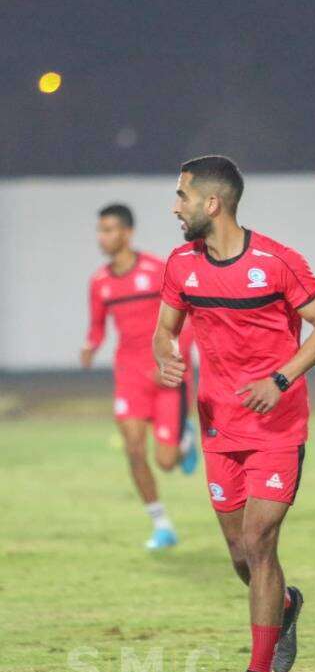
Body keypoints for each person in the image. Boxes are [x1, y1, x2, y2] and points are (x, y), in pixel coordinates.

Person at [154, 155, 315, 672]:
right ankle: (284, 604)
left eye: (182, 196)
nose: (175, 206)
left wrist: (281, 379)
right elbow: (165, 331)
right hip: (219, 428)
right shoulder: (181, 264)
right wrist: (165, 357)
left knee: (259, 543)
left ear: (212, 204)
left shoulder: (278, 262)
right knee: (239, 554)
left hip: (278, 427)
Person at [81, 203, 198, 551]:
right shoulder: (99, 282)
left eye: (109, 230)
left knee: (165, 462)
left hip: (166, 377)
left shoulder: (157, 269)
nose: (102, 237)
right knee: (133, 449)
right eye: (100, 230)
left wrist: (171, 361)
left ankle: (183, 439)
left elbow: (187, 318)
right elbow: (98, 326)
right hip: (130, 377)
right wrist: (90, 345)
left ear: (127, 233)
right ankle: (161, 524)